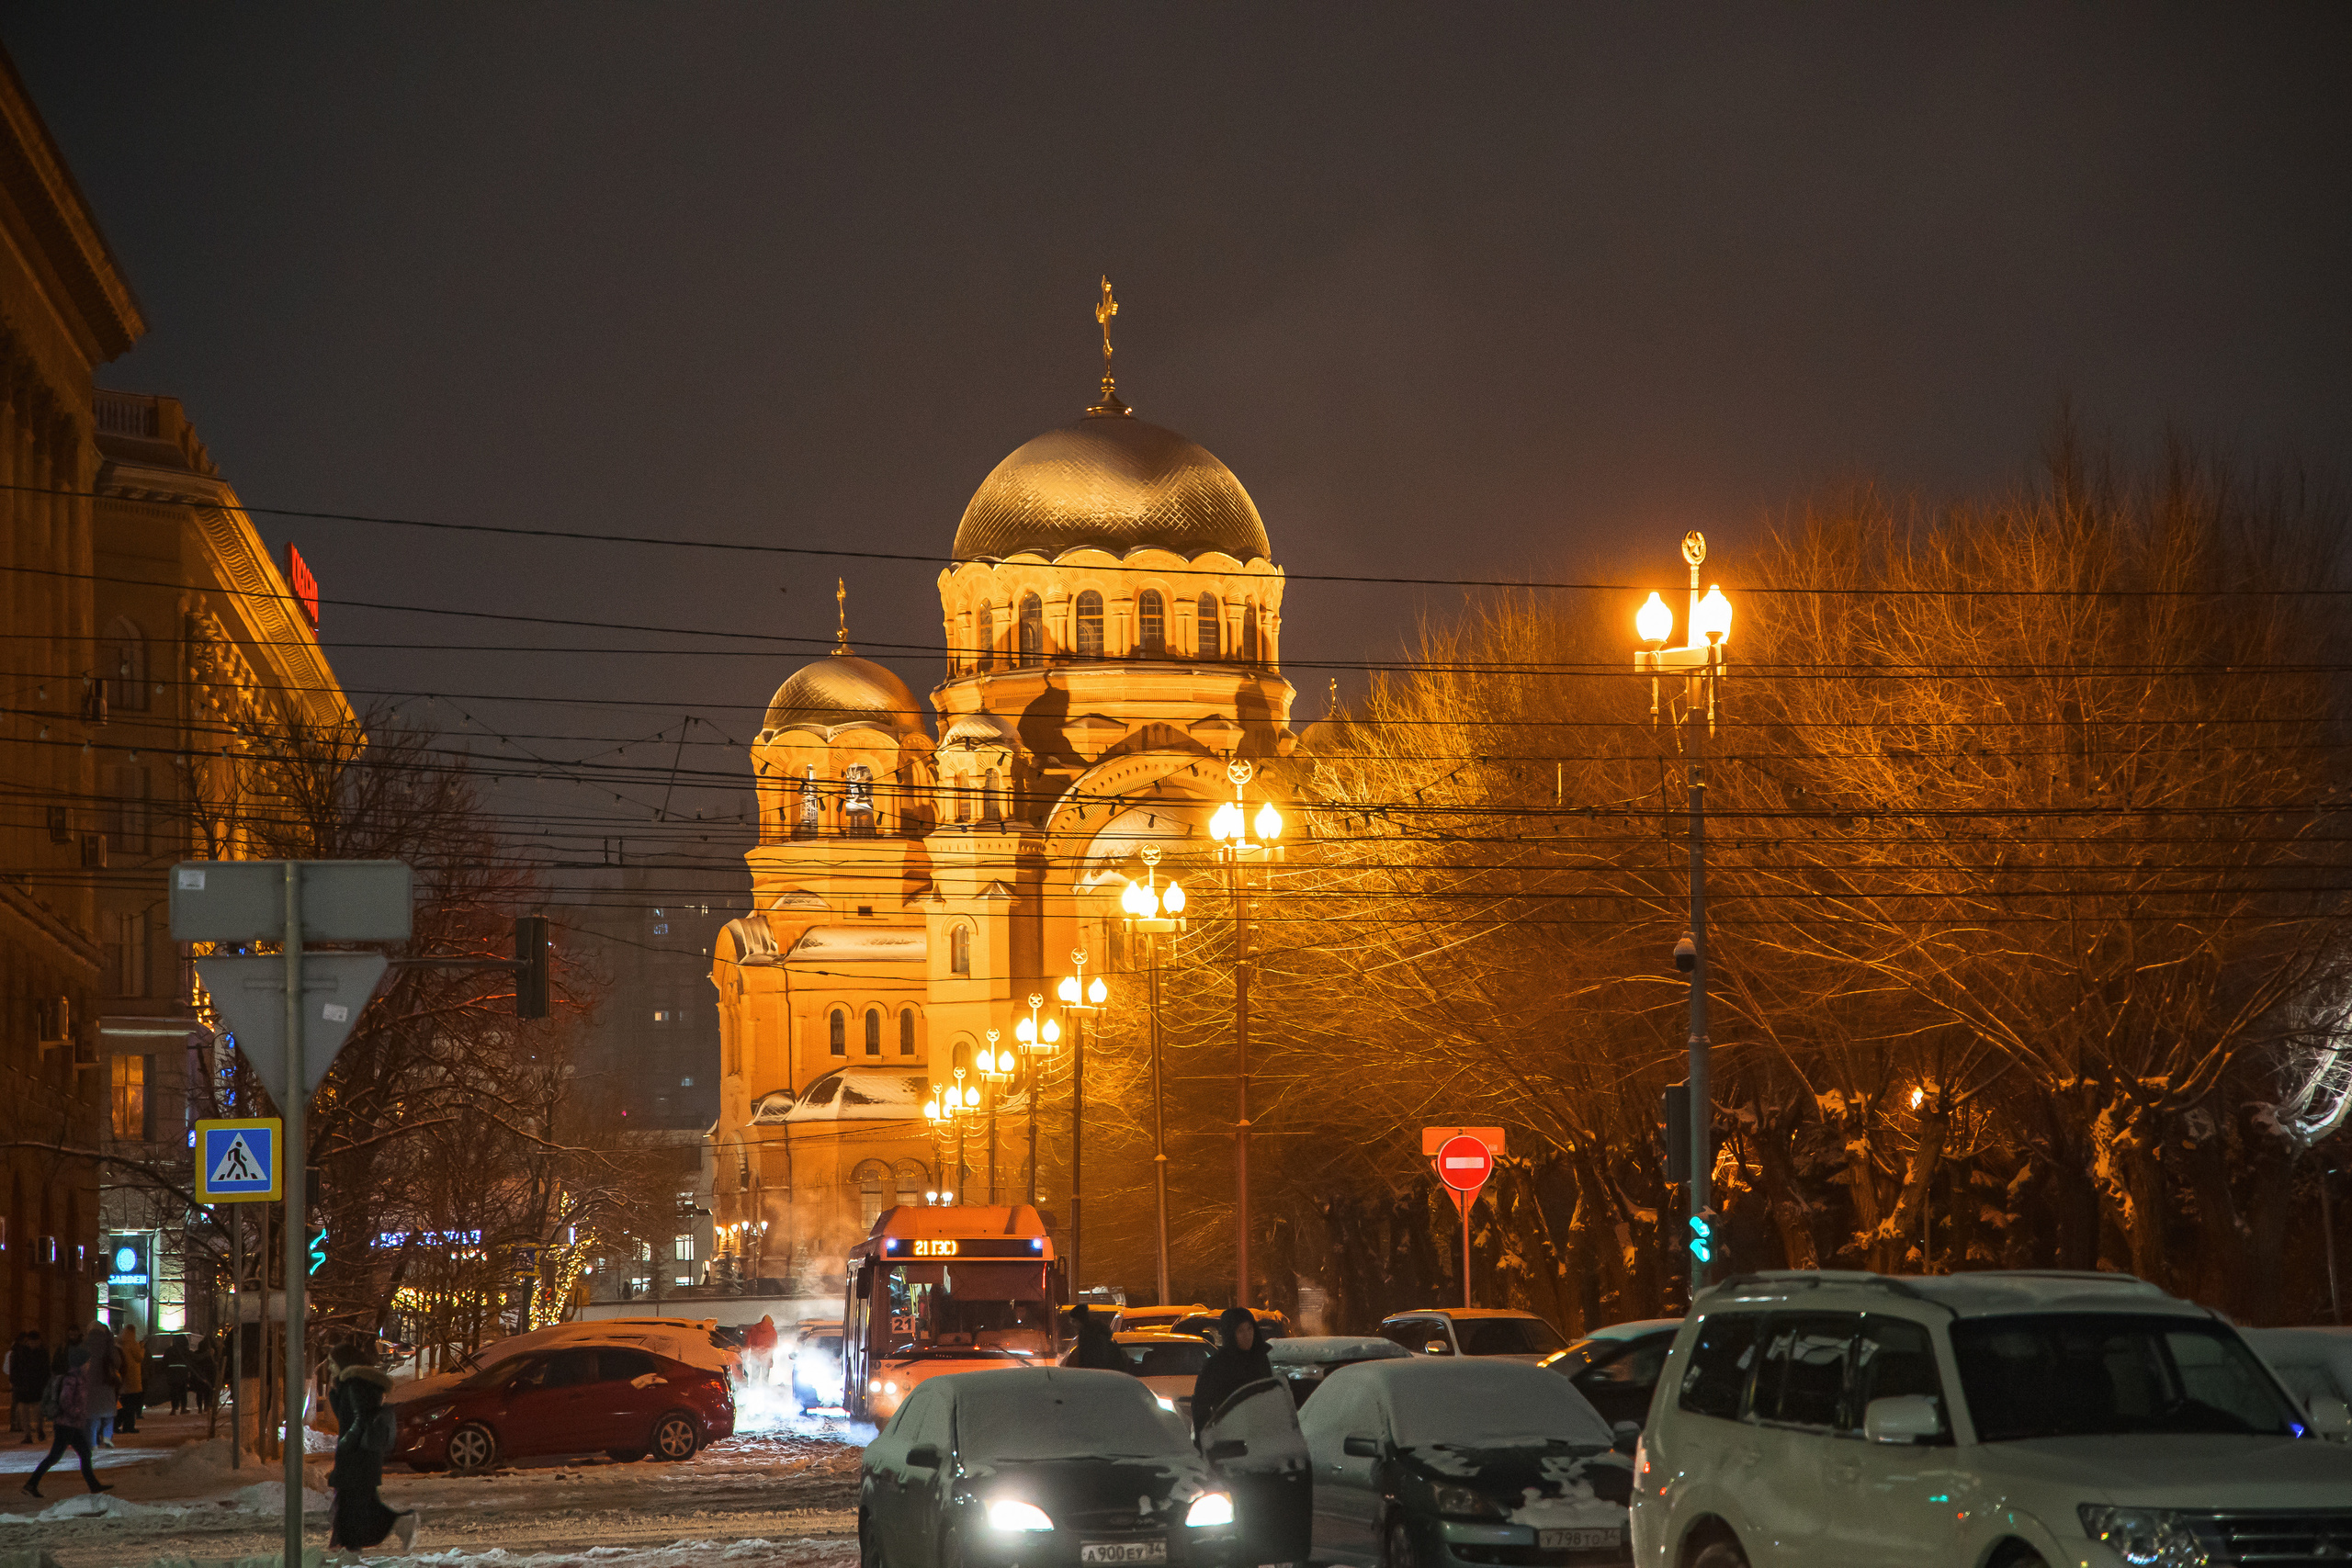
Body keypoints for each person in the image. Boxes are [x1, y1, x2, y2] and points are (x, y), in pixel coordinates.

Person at [326, 1341, 415, 1552]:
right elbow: (347, 1416)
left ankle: (398, 1523)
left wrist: (346, 1444)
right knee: (357, 1505)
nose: (329, 1367)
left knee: (355, 1507)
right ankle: (348, 1548)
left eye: (331, 1362)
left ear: (343, 1362)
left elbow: (360, 1419)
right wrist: (334, 1392)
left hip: (357, 1457)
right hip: (363, 1457)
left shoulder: (355, 1384)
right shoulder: (355, 1384)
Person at [23, 1345, 112, 1498]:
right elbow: (66, 1401)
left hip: (72, 1424)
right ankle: (31, 1484)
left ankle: (93, 1485)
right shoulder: (72, 1379)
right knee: (55, 1456)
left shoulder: (80, 1378)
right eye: (87, 1362)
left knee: (84, 1453)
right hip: (66, 1424)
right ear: (80, 1363)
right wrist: (77, 1413)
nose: (89, 1364)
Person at [1188, 1307, 1272, 1440]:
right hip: (1230, 1438)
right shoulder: (1217, 1365)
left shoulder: (1260, 1359)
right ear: (1230, 1334)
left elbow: (1271, 1394)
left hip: (1262, 1436)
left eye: (1249, 1328)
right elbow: (1201, 1404)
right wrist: (1204, 1438)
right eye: (1240, 1331)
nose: (1247, 1335)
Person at [82, 1325, 120, 1448]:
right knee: (108, 1414)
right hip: (107, 1382)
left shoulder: (87, 1348)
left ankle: (93, 1442)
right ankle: (107, 1437)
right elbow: (118, 1362)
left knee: (93, 1417)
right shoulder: (109, 1347)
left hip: (92, 1384)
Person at [9, 1332, 46, 1443]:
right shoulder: (19, 1353)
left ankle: (38, 1428)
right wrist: (15, 1382)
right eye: (32, 1342)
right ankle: (28, 1435)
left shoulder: (41, 1352)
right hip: (24, 1386)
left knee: (36, 1410)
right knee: (25, 1410)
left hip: (34, 1386)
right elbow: (14, 1370)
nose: (34, 1344)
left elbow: (46, 1370)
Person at [1068, 1304, 1125, 1371]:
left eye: (1073, 1321)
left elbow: (1091, 1361)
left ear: (1079, 1320)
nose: (1072, 1324)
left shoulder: (1090, 1337)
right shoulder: (1093, 1333)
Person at [115, 1319, 144, 1434]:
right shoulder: (133, 1344)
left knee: (123, 1404)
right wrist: (142, 1348)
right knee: (131, 1405)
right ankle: (129, 1426)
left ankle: (117, 1424)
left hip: (123, 1378)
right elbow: (139, 1358)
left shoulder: (120, 1344)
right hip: (133, 1379)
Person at [743, 1314, 779, 1385]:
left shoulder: (753, 1329)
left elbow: (748, 1343)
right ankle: (765, 1391)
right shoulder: (773, 1331)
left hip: (755, 1356)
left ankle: (753, 1390)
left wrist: (745, 1354)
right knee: (765, 1378)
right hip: (766, 1357)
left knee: (754, 1377)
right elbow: (775, 1345)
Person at [189, 1337, 219, 1416]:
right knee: (209, 1390)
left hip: (200, 1374)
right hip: (210, 1373)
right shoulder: (213, 1354)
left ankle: (200, 1408)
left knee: (200, 1391)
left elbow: (194, 1361)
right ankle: (207, 1405)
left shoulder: (198, 1353)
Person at [163, 1334, 191, 1416]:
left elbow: (164, 1362)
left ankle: (174, 1408)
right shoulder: (185, 1351)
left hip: (172, 1373)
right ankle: (183, 1408)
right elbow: (192, 1360)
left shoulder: (169, 1350)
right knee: (183, 1391)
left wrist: (167, 1371)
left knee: (174, 1391)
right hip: (183, 1373)